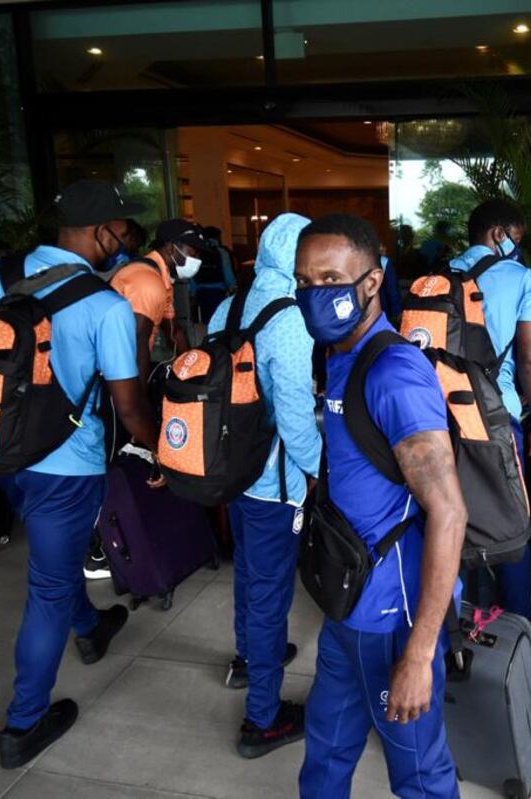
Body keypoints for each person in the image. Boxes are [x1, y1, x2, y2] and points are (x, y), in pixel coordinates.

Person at [0, 180, 161, 768]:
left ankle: (90, 628)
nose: (125, 238)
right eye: (121, 228)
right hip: (65, 466)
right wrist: (162, 454)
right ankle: (24, 724)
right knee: (47, 587)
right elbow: (128, 406)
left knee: (56, 559)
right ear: (102, 232)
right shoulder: (106, 306)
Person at [294, 214, 467, 797]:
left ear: (372, 281)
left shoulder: (393, 373)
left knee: (419, 772)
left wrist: (419, 654)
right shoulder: (339, 354)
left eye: (330, 279)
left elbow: (449, 511)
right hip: (348, 602)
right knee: (326, 747)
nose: (315, 294)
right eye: (304, 281)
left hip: (393, 614)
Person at [206, 213, 322, 759]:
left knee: (250, 573)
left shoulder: (229, 305)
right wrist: (320, 469)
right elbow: (295, 420)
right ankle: (263, 719)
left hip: (230, 470)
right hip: (273, 481)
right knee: (271, 592)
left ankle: (248, 659)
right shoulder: (290, 319)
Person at [448, 199, 531, 626]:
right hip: (495, 420)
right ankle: (517, 626)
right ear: (498, 234)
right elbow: (530, 358)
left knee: (452, 516)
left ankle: (458, 619)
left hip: (440, 419)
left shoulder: (438, 277)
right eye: (515, 237)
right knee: (508, 521)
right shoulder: (523, 279)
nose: (516, 245)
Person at [109, 219, 206, 385]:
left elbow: (174, 332)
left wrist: (192, 372)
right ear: (171, 248)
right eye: (193, 252)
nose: (197, 259)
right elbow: (137, 344)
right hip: (118, 374)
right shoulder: (146, 281)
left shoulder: (160, 278)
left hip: (122, 370)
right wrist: (140, 394)